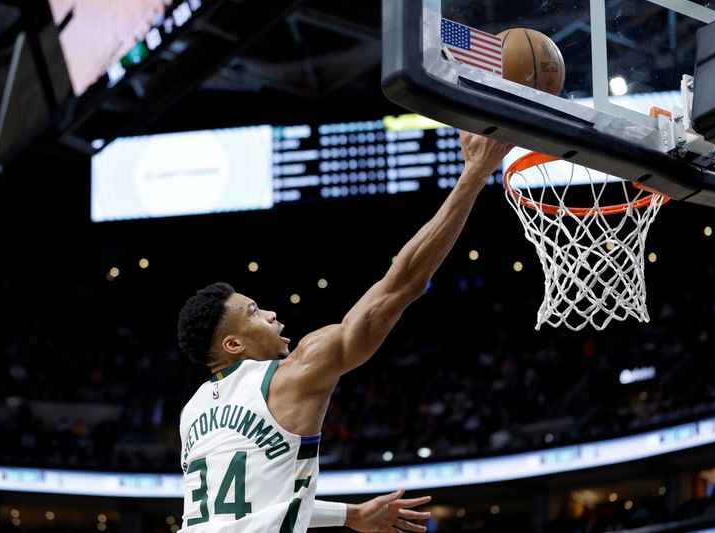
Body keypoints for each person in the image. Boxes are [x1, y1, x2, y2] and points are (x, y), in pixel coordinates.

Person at [176, 131, 513, 531]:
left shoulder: (192, 412)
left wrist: (349, 515)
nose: (270, 313)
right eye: (253, 312)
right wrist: (475, 173)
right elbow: (402, 284)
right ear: (233, 343)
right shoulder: (291, 374)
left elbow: (246, 505)